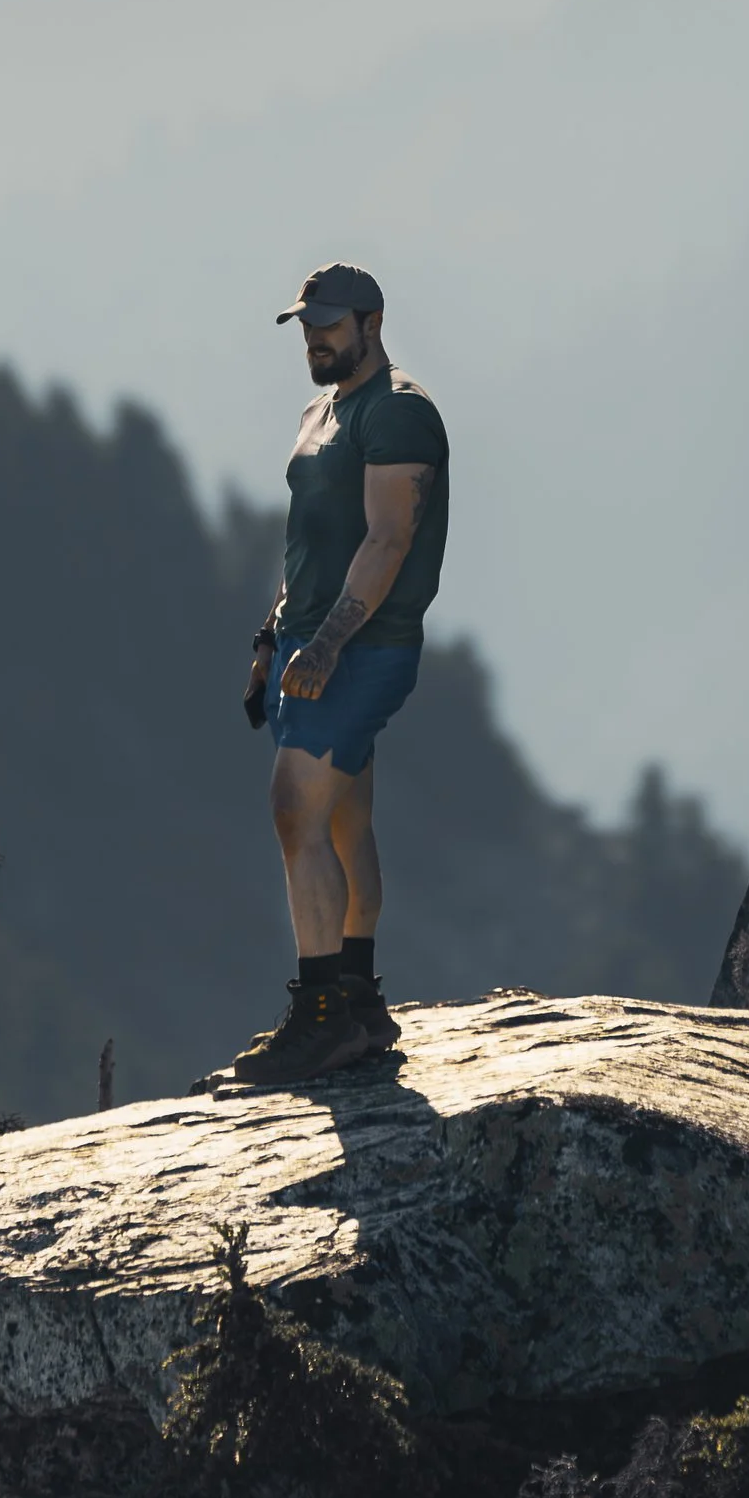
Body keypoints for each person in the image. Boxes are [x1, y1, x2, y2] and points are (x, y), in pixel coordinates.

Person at [228, 262, 449, 1084]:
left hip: (362, 647)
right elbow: (310, 539)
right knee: (344, 818)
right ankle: (356, 995)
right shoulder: (321, 411)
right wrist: (273, 636)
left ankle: (322, 1017)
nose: (316, 336)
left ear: (372, 322)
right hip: (306, 644)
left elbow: (388, 541)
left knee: (295, 808)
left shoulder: (399, 415)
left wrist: (326, 647)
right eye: (306, 323)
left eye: (329, 321)